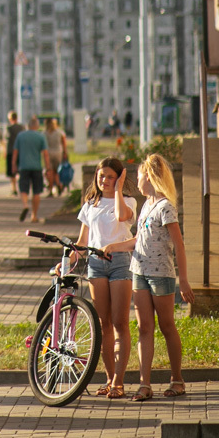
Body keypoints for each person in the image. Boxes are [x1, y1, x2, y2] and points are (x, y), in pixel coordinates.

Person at [102, 155, 192, 401]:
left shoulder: (165, 207)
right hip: (139, 273)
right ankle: (145, 384)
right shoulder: (145, 205)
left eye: (139, 175)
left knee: (166, 326)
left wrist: (183, 280)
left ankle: (177, 379)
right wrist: (114, 246)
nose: (136, 180)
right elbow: (139, 241)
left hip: (161, 275)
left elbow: (179, 245)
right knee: (144, 328)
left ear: (149, 177)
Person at [71, 158, 136, 400]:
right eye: (101, 176)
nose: (104, 181)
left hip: (119, 263)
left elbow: (122, 218)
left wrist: (118, 190)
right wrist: (65, 262)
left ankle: (119, 381)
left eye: (110, 176)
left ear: (119, 178)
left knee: (120, 323)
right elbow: (82, 241)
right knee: (103, 323)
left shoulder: (128, 201)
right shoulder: (91, 204)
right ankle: (109, 379)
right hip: (96, 265)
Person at [12, 117, 51, 224]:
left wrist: (13, 165)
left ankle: (25, 205)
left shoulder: (21, 136)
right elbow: (45, 154)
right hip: (36, 167)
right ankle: (34, 216)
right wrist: (48, 168)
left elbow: (15, 152)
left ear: (28, 126)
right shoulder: (40, 136)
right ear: (37, 126)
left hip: (23, 167)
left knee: (23, 188)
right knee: (37, 191)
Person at [44, 118, 69, 196]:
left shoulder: (44, 133)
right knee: (57, 171)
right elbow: (64, 143)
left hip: (48, 153)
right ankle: (59, 185)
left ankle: (50, 189)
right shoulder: (59, 132)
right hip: (58, 152)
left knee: (49, 171)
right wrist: (65, 152)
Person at [5, 111, 23, 195]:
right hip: (21, 151)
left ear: (10, 118)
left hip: (11, 151)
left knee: (12, 171)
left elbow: (6, 140)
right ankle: (21, 187)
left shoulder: (8, 128)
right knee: (20, 169)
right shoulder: (22, 127)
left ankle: (14, 188)